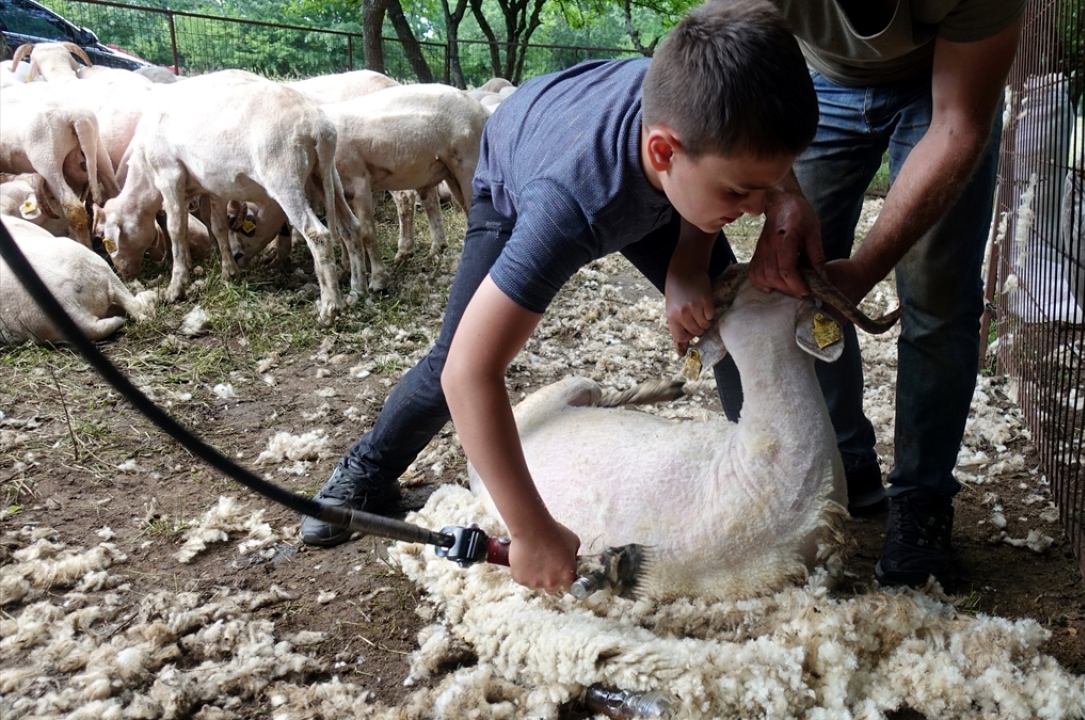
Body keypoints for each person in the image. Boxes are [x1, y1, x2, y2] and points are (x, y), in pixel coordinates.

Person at [299, 0, 819, 592]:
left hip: (643, 171)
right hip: (520, 171)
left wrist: (689, 263)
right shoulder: (567, 209)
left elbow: (704, 181)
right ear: (663, 152)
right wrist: (531, 531)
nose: (756, 209)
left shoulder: (699, 118)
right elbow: (470, 373)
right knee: (455, 354)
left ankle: (759, 477)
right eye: (742, 192)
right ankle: (364, 472)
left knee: (723, 309)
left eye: (767, 188)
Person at [744, 0, 1024, 587]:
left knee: (939, 290)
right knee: (801, 283)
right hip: (814, 79)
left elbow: (957, 125)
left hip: (942, 87)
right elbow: (736, 64)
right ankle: (844, 462)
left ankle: (922, 496)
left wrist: (869, 267)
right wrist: (781, 193)